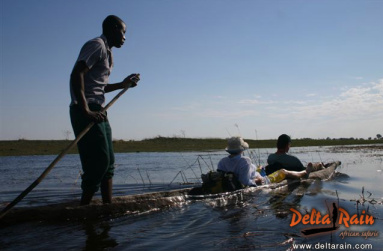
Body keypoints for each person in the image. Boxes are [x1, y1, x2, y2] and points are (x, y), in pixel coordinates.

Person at [70, 15, 140, 205]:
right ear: (113, 28)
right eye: (123, 32)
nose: (125, 37)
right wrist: (85, 109)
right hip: (86, 108)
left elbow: (98, 86)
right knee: (98, 162)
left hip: (98, 109)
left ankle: (107, 206)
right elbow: (77, 75)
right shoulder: (97, 45)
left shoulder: (109, 53)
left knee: (108, 162)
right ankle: (84, 207)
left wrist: (123, 84)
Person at [217, 137, 313, 187]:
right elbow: (245, 182)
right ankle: (304, 172)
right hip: (263, 181)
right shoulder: (245, 161)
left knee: (259, 167)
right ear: (242, 149)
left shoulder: (222, 161)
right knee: (283, 171)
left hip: (252, 175)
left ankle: (259, 170)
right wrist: (258, 180)